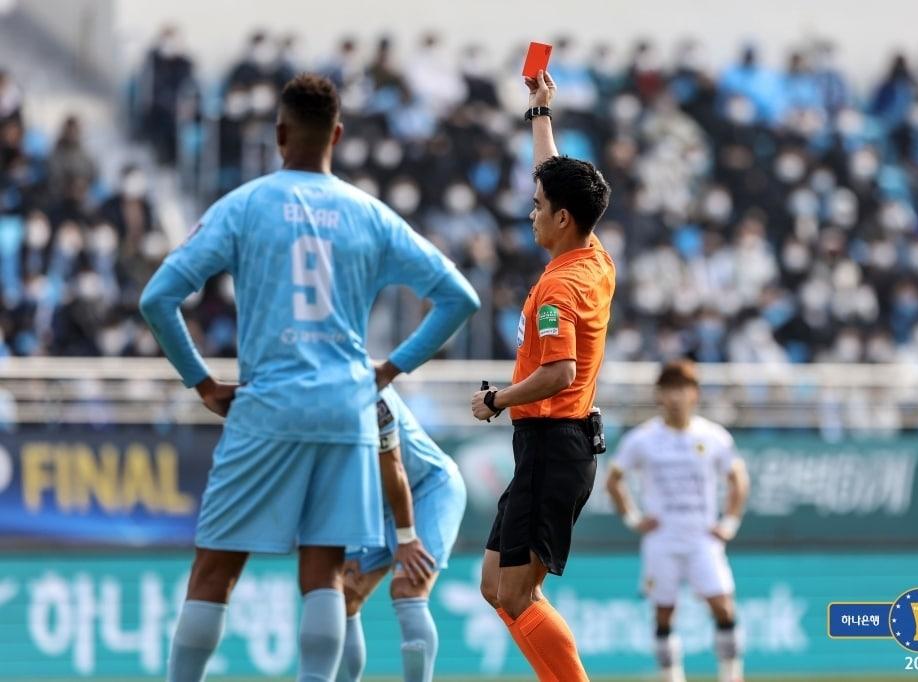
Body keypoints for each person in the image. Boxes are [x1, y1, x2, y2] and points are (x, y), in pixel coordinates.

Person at [139, 73, 479, 682]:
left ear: (278, 134)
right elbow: (459, 298)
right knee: (323, 573)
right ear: (339, 135)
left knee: (216, 567)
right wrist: (388, 368)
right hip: (345, 412)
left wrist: (202, 382)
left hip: (266, 404)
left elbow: (159, 297)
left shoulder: (245, 205)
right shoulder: (370, 215)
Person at [470, 69, 615, 681]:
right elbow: (555, 179)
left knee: (516, 593)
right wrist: (539, 114)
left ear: (560, 219)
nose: (530, 214)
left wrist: (498, 398)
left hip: (554, 440)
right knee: (493, 585)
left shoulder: (559, 286)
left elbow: (560, 371)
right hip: (553, 442)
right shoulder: (593, 255)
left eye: (537, 207)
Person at [605, 360, 750, 682]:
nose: (676, 396)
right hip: (662, 540)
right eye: (669, 389)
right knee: (664, 612)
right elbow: (614, 479)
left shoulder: (714, 436)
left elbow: (738, 478)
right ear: (659, 395)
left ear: (694, 394)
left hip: (702, 539)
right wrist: (633, 518)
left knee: (723, 607)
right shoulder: (642, 438)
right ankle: (671, 677)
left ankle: (731, 676)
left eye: (682, 389)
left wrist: (730, 523)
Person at [338, 385, 466, 682]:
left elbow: (394, 468)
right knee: (344, 594)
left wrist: (406, 537)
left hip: (429, 489)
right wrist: (351, 547)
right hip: (378, 505)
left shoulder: (370, 392)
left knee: (407, 588)